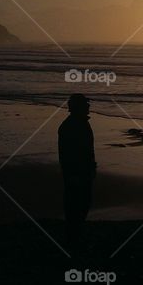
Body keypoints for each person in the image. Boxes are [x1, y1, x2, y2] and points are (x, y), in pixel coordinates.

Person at [58, 93, 96, 252]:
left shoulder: (78, 124)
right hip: (76, 173)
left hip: (82, 172)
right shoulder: (71, 126)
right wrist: (73, 174)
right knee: (77, 206)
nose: (89, 106)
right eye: (86, 104)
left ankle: (74, 237)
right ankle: (73, 240)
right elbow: (67, 154)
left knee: (80, 205)